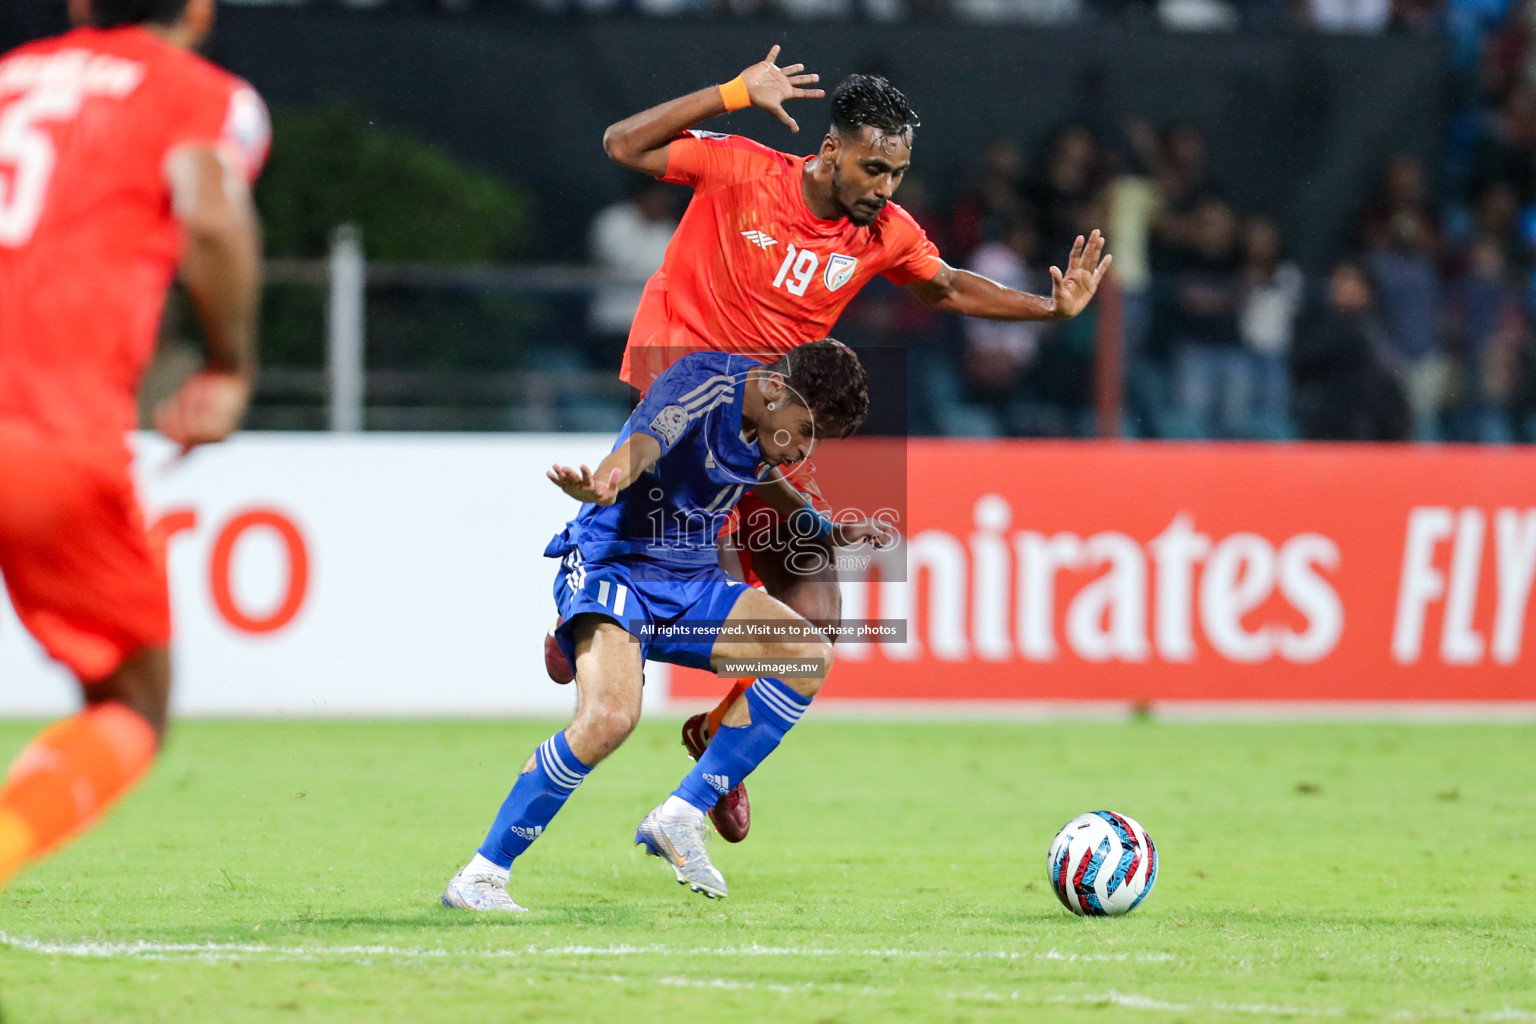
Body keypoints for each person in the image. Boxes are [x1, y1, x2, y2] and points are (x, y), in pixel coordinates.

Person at [554, 49, 1110, 843]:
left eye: (898, 172)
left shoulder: (885, 230)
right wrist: (732, 94)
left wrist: (1048, 312)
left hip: (768, 433)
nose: (885, 187)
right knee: (657, 568)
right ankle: (578, 628)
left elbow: (946, 285)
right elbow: (622, 145)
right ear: (830, 151)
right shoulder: (743, 172)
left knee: (816, 612)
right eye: (873, 167)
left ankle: (716, 737)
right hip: (681, 411)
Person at [444, 340, 881, 910]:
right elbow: (645, 444)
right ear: (775, 389)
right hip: (616, 567)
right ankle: (480, 876)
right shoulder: (701, 383)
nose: (801, 449)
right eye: (803, 430)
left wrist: (824, 530)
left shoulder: (764, 429)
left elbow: (762, 483)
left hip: (690, 581)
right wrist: (604, 481)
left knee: (806, 655)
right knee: (609, 718)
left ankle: (679, 815)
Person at [0, 0, 266, 888]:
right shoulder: (197, 94)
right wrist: (227, 366)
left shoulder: (13, 77)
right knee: (131, 704)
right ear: (199, 10)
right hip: (40, 431)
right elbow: (209, 205)